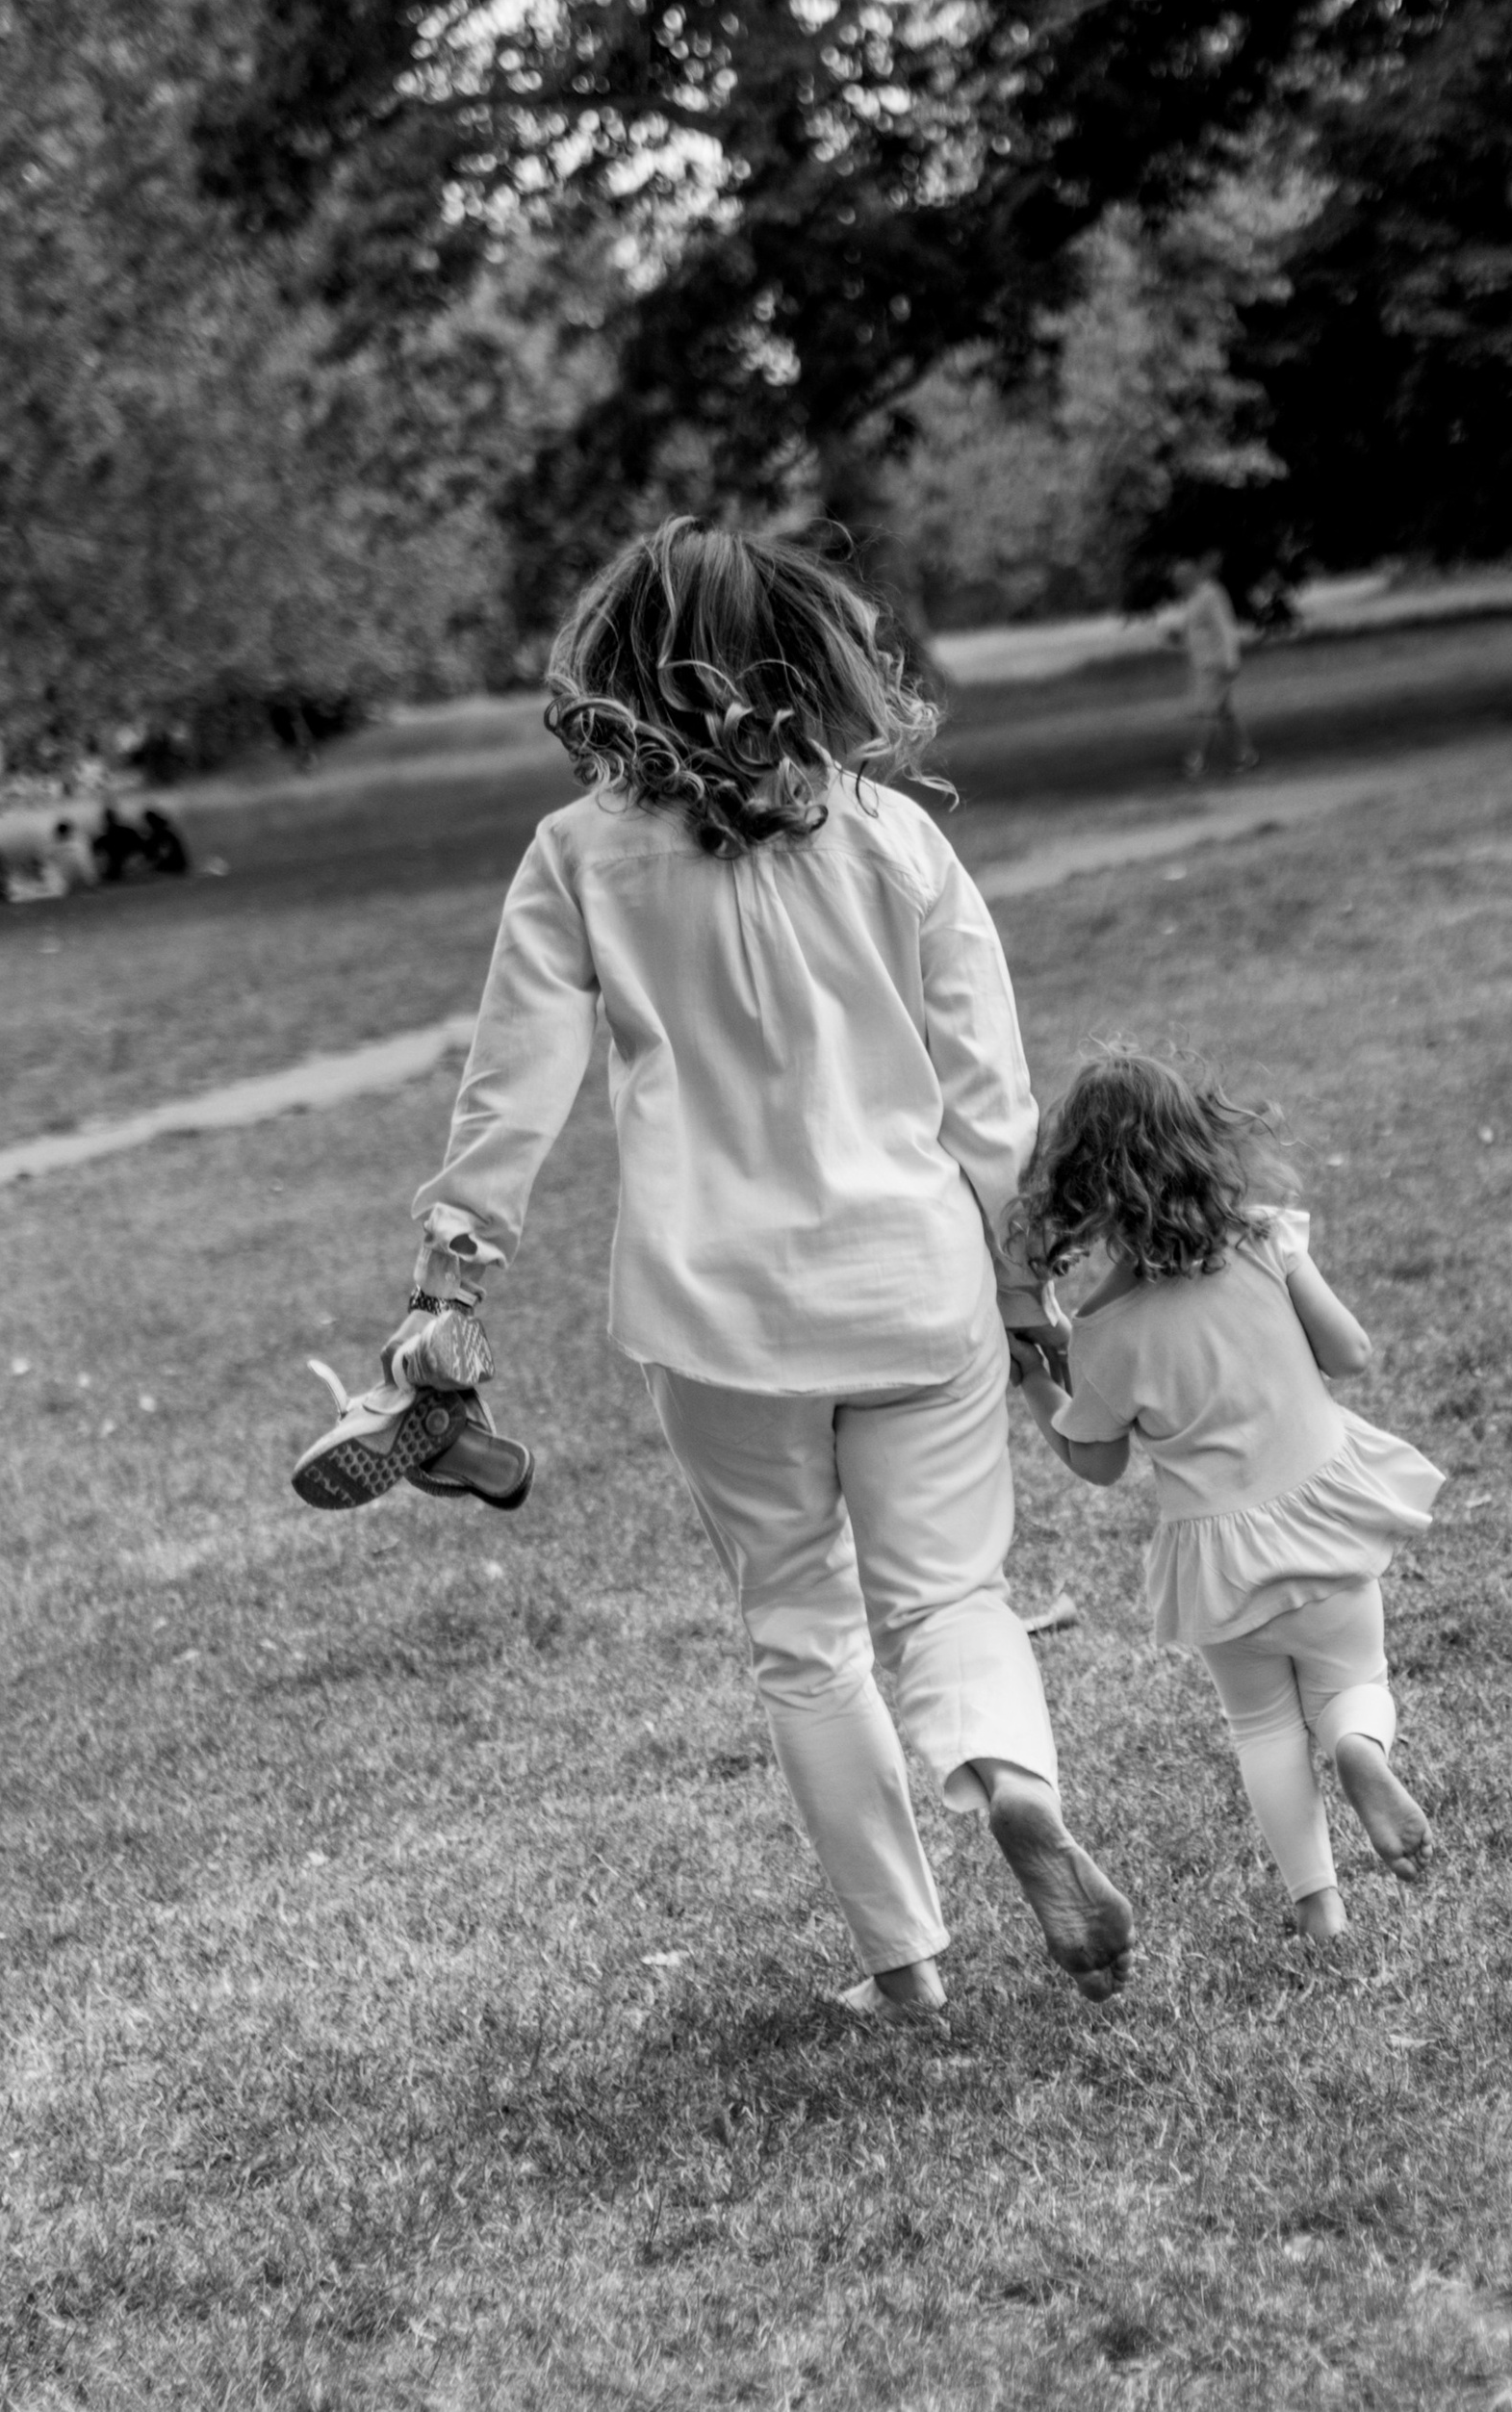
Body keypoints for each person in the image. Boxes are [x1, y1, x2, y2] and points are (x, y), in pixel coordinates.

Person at [343, 516, 1134, 2023]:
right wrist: (1026, 1292)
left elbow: (516, 1079)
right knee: (951, 1593)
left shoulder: (579, 855)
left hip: (717, 1314)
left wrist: (452, 1278)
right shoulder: (896, 837)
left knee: (800, 1627)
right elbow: (989, 1097)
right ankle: (1013, 1786)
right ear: (806, 653)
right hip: (917, 1281)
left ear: (621, 669)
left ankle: (909, 1969)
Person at [1010, 1047, 1444, 1946]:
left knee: (1260, 1727)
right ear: (1202, 1143)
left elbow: (1095, 1463)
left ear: (1084, 1191)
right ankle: (1360, 1749)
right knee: (1353, 1682)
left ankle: (1319, 1906)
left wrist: (1039, 1380)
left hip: (1218, 1561)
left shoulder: (1103, 1329)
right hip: (1322, 1521)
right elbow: (1350, 1353)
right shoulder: (1264, 1238)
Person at [1174, 554, 1257, 779]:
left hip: (1217, 665)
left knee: (1206, 713)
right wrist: (1178, 637)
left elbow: (1225, 627)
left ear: (1191, 577)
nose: (1177, 584)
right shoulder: (1192, 598)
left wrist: (1231, 660)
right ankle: (1246, 756)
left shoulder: (1210, 594)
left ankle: (1196, 761)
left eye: (1180, 579)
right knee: (1226, 713)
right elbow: (1198, 630)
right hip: (1203, 664)